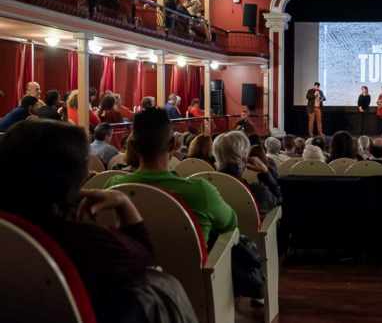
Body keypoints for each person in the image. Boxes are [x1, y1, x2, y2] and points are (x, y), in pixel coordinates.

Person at [0, 120, 162, 321]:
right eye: (83, 163)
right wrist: (123, 203)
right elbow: (145, 258)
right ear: (65, 176)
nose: (88, 172)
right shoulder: (80, 240)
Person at [105, 108, 238, 244]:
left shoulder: (112, 188)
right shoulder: (201, 192)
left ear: (132, 146)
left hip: (131, 264)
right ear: (173, 144)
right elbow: (231, 226)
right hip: (189, 265)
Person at [214, 131, 282, 219]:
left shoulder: (207, 188)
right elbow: (278, 201)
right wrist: (265, 172)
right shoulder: (258, 191)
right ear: (245, 156)